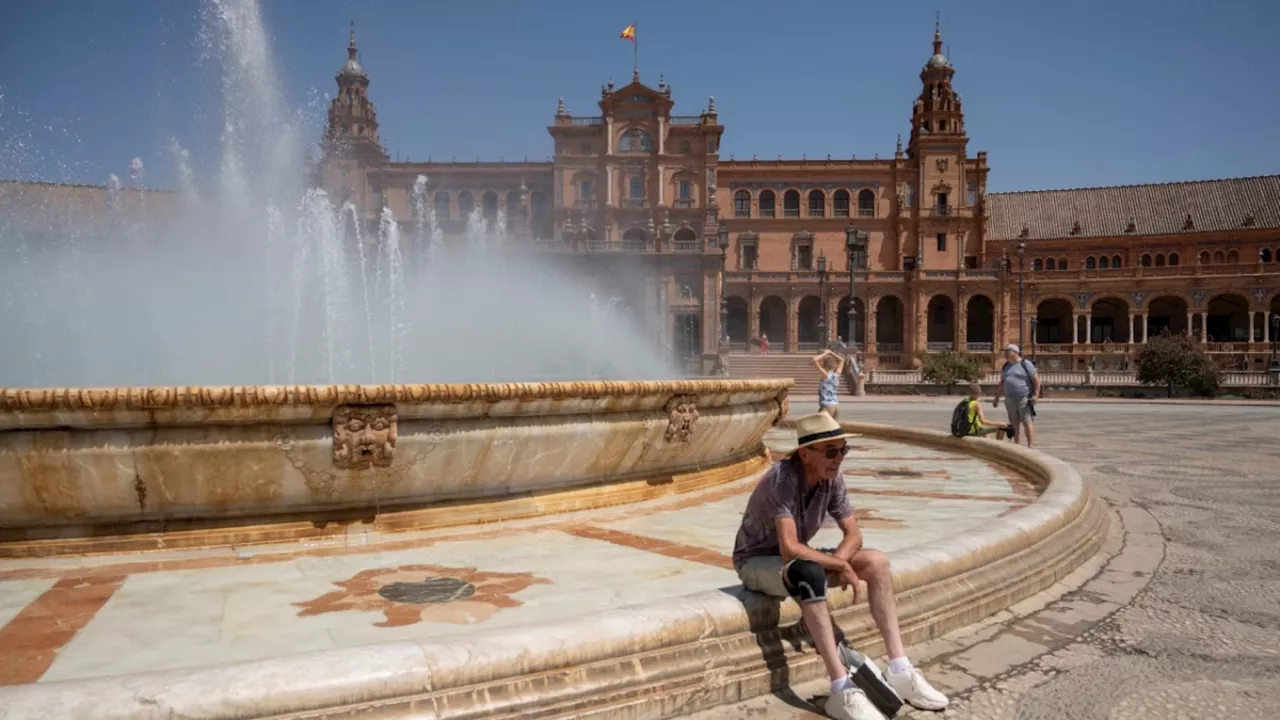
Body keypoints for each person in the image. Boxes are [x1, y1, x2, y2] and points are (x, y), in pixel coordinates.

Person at [733, 413, 950, 719]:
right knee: (806, 571)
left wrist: (841, 562)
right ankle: (841, 688)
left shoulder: (831, 478)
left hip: (793, 559)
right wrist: (837, 563)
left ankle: (900, 669)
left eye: (843, 450)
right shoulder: (781, 479)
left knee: (876, 562)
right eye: (831, 451)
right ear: (806, 454)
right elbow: (789, 548)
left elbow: (854, 533)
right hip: (756, 561)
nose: (839, 458)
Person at [991, 344, 1040, 448]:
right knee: (1014, 422)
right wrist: (996, 398)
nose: (1005, 353)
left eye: (1008, 351)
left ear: (1015, 352)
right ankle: (1017, 444)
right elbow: (1002, 383)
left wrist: (1036, 395)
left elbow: (1036, 380)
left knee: (1026, 421)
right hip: (1009, 398)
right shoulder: (1006, 366)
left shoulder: (1025, 364)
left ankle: (1030, 445)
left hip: (1023, 397)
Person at [813, 349, 845, 418]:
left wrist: (825, 353)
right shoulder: (836, 375)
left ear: (824, 366)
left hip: (827, 406)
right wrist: (831, 353)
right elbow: (842, 360)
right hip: (836, 405)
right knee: (834, 428)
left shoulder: (825, 375)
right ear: (834, 366)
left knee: (822, 428)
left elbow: (815, 360)